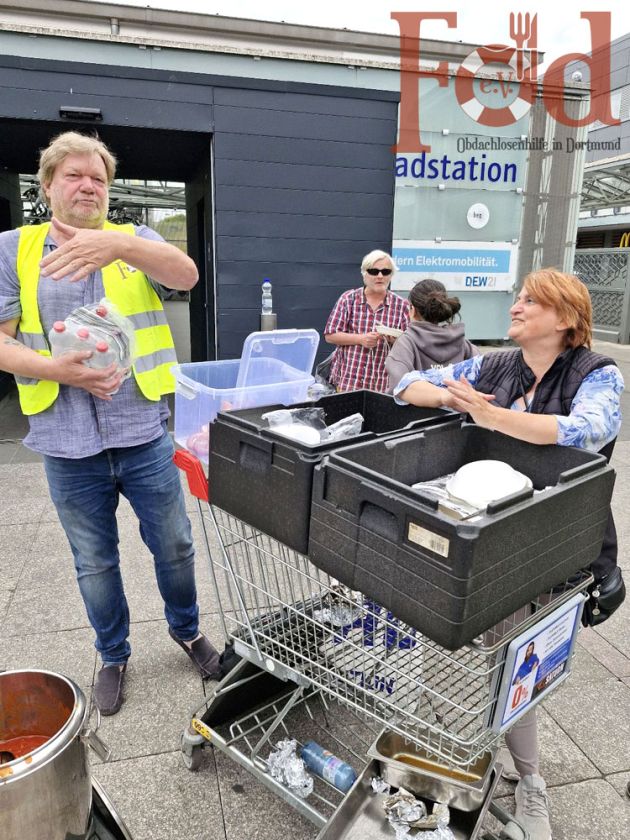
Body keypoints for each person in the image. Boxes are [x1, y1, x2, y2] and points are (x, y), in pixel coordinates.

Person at [395, 268, 625, 840]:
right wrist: (454, 395)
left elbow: (587, 431)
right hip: (486, 537)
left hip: (554, 545)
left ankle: (530, 782)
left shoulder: (597, 375)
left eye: (530, 302)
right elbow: (408, 386)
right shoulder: (496, 363)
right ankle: (474, 753)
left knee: (517, 667)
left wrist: (489, 415)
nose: (515, 308)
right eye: (518, 299)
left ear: (566, 319)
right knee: (486, 653)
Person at [0, 131, 222, 716]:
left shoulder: (133, 239)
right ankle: (113, 654)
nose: (88, 185)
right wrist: (57, 370)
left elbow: (187, 276)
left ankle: (188, 631)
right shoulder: (14, 249)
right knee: (94, 559)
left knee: (174, 545)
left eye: (98, 177)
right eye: (73, 175)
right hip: (66, 442)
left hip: (141, 430)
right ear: (47, 186)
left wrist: (118, 248)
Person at [324, 249, 409, 392]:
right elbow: (330, 335)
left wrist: (395, 341)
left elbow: (410, 344)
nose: (380, 276)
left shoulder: (402, 305)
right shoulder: (348, 299)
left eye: (386, 272)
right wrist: (361, 339)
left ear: (391, 275)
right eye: (374, 271)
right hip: (348, 381)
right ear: (364, 273)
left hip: (383, 385)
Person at [385, 277, 478, 390]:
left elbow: (398, 388)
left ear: (412, 310)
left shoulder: (406, 342)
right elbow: (483, 375)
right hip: (455, 407)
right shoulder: (463, 343)